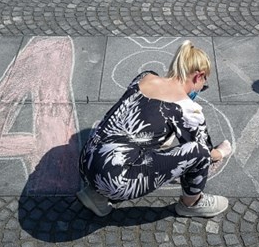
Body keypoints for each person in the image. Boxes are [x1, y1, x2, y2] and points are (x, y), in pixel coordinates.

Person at [77, 40, 232, 218]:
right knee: (199, 152)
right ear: (199, 76)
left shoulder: (145, 77)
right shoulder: (188, 109)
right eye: (203, 84)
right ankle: (191, 203)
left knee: (141, 137)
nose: (200, 89)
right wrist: (221, 152)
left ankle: (94, 194)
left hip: (86, 164)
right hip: (116, 182)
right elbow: (206, 153)